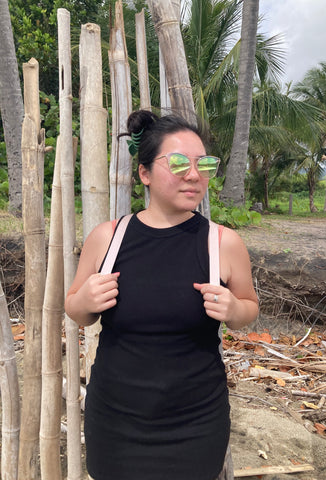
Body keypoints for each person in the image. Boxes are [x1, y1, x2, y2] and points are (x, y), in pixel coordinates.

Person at [65, 110, 259, 480]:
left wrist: (234, 309)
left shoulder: (223, 243)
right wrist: (85, 301)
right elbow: (75, 308)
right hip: (116, 420)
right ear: (144, 173)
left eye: (204, 163)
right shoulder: (107, 238)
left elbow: (249, 308)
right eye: (179, 163)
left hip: (196, 421)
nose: (194, 174)